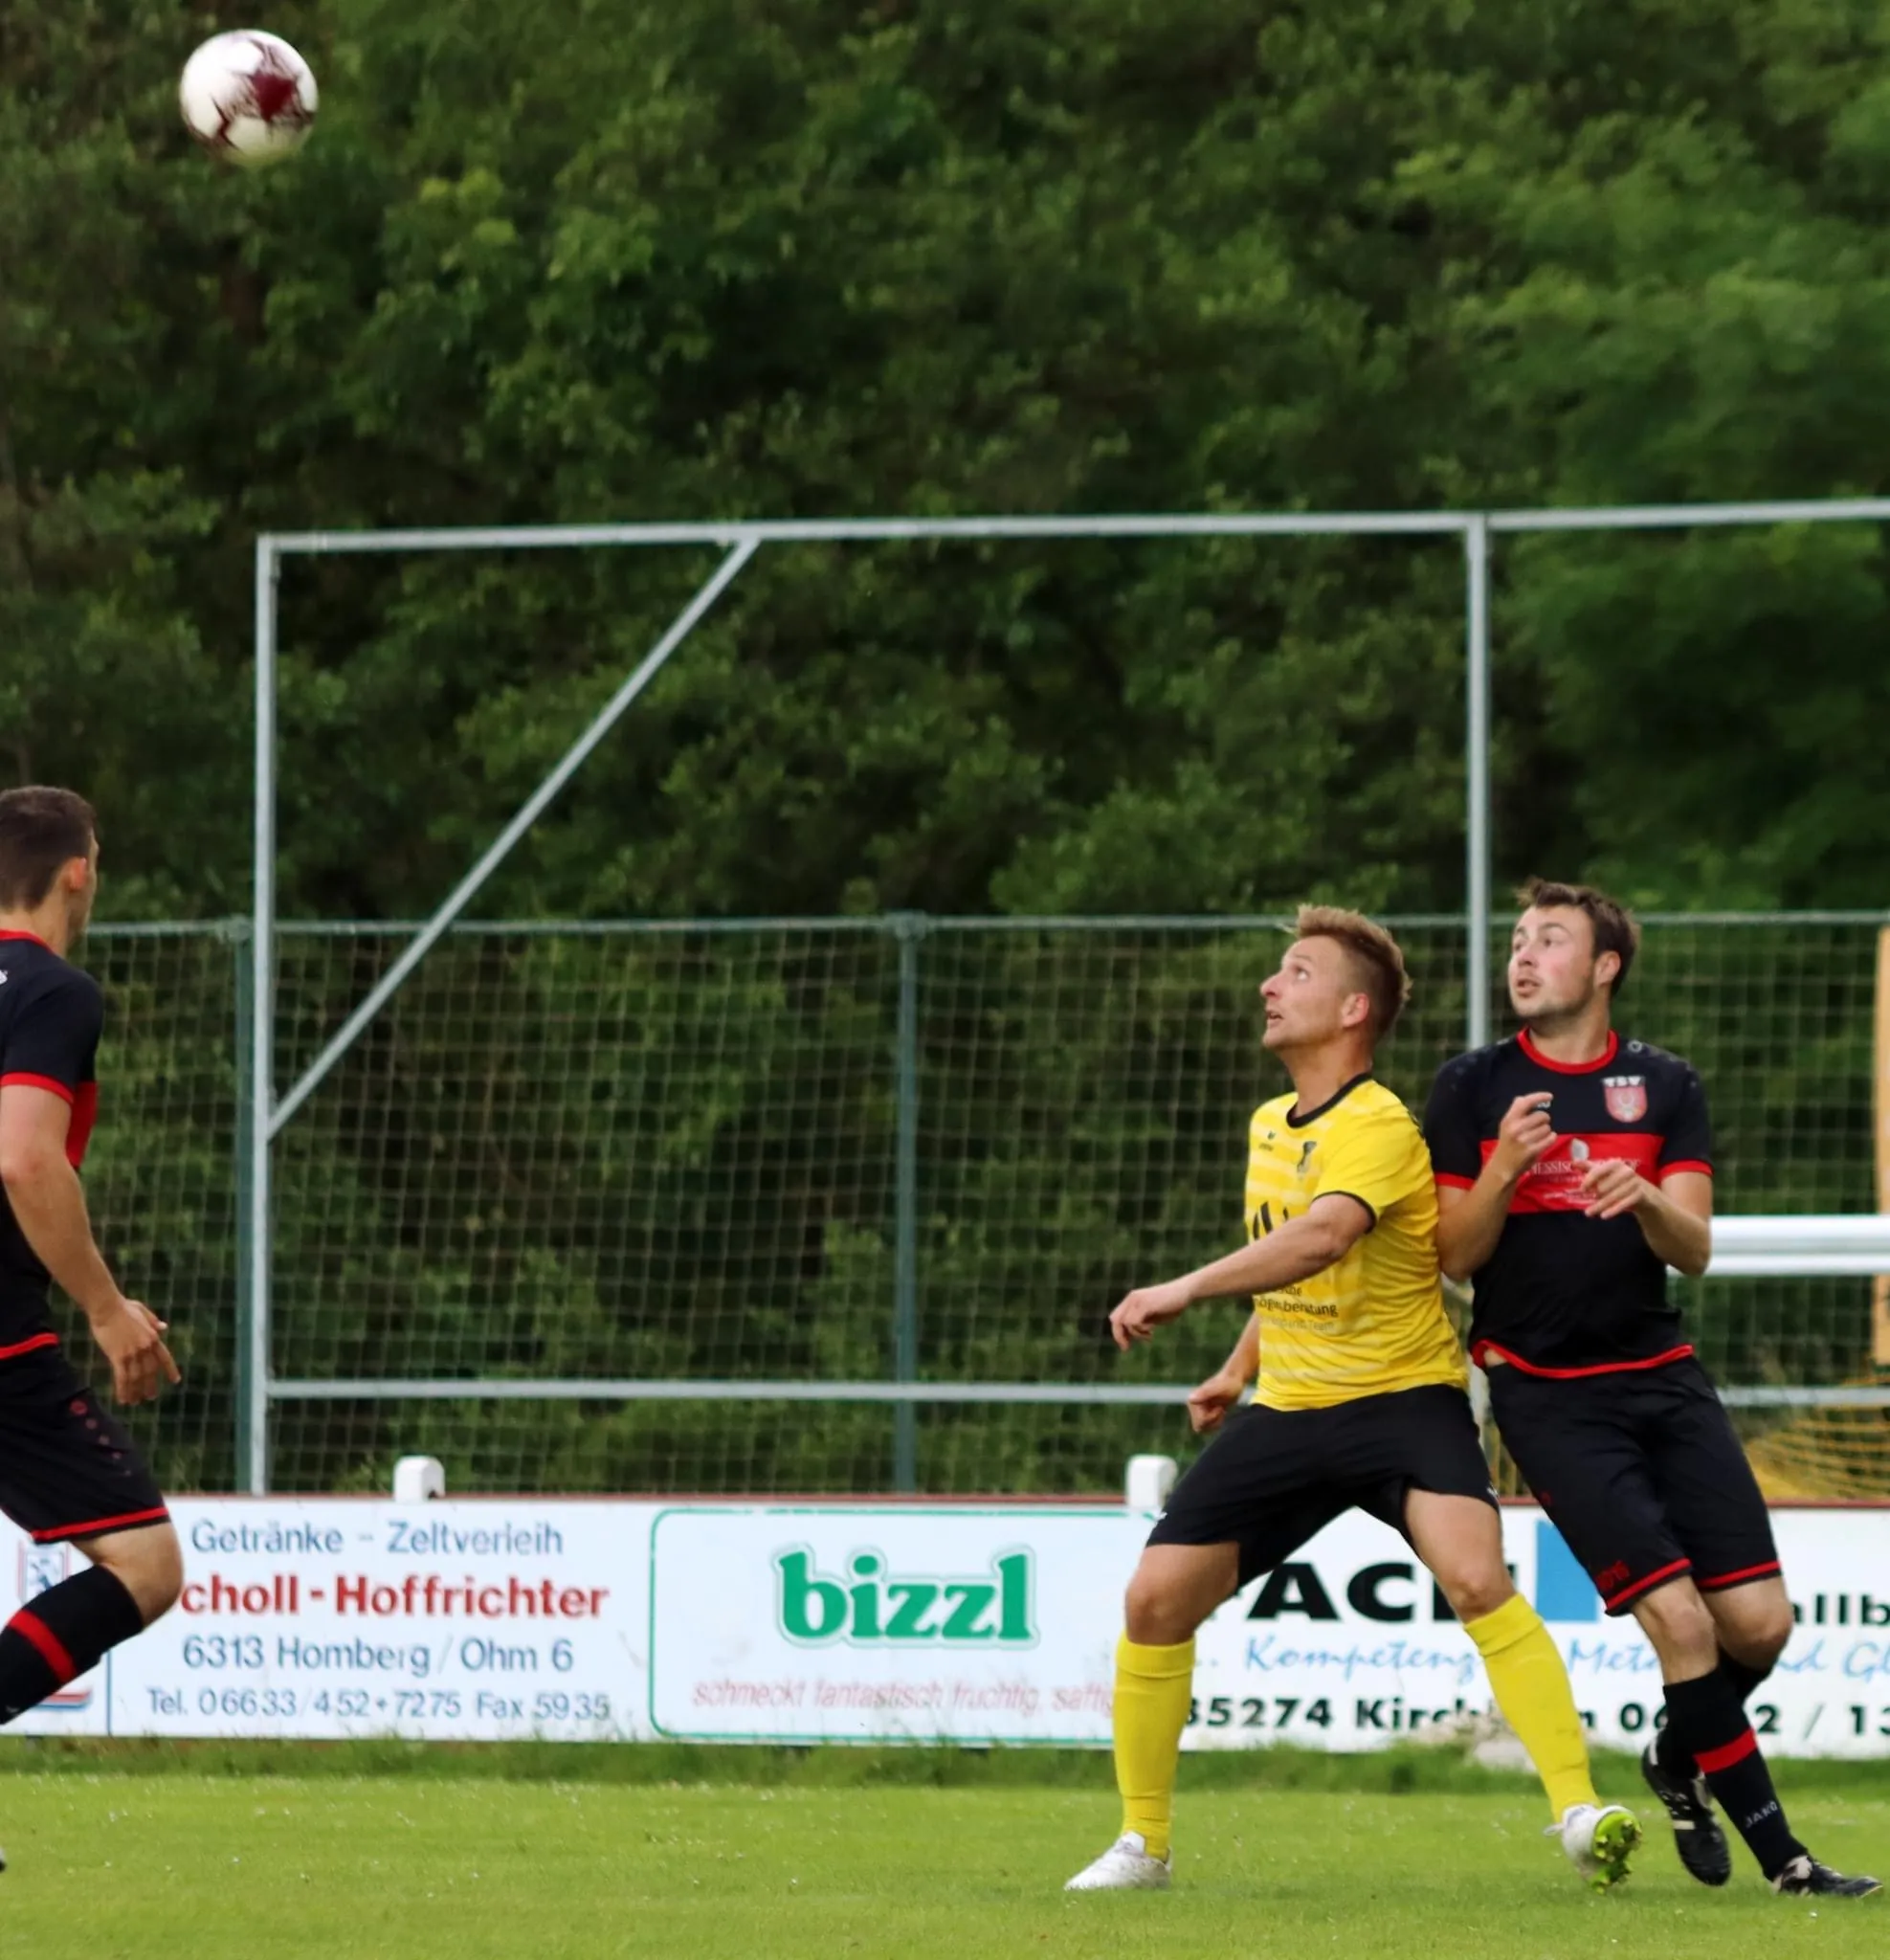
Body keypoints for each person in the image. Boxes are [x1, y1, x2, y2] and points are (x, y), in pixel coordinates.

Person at [1065, 906, 1636, 1895]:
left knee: (1476, 1578)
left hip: (1402, 1404)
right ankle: (1142, 1845)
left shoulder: (1378, 1123)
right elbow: (1291, 1254)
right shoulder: (1267, 1123)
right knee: (1154, 1600)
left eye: (1295, 971)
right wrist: (1237, 1367)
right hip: (1288, 1409)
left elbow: (1326, 1235)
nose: (1268, 985)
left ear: (1351, 1009)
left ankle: (1579, 1810)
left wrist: (1183, 1288)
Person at [1424, 877, 1878, 1901]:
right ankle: (1788, 1863)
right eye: (1518, 939)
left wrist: (1641, 1200)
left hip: (1660, 1376)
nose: (1523, 954)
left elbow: (1695, 1246)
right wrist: (1503, 1169)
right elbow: (1454, 1256)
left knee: (1758, 1625)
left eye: (1549, 939)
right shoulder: (1470, 1085)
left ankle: (1678, 1758)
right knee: (1679, 1622)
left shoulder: (1663, 1084)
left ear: (1604, 966)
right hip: (1545, 1392)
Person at [0, 788, 183, 1791]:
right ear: (79, 871)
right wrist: (107, 1309)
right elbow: (25, 1158)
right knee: (144, 1566)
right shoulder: (52, 991)